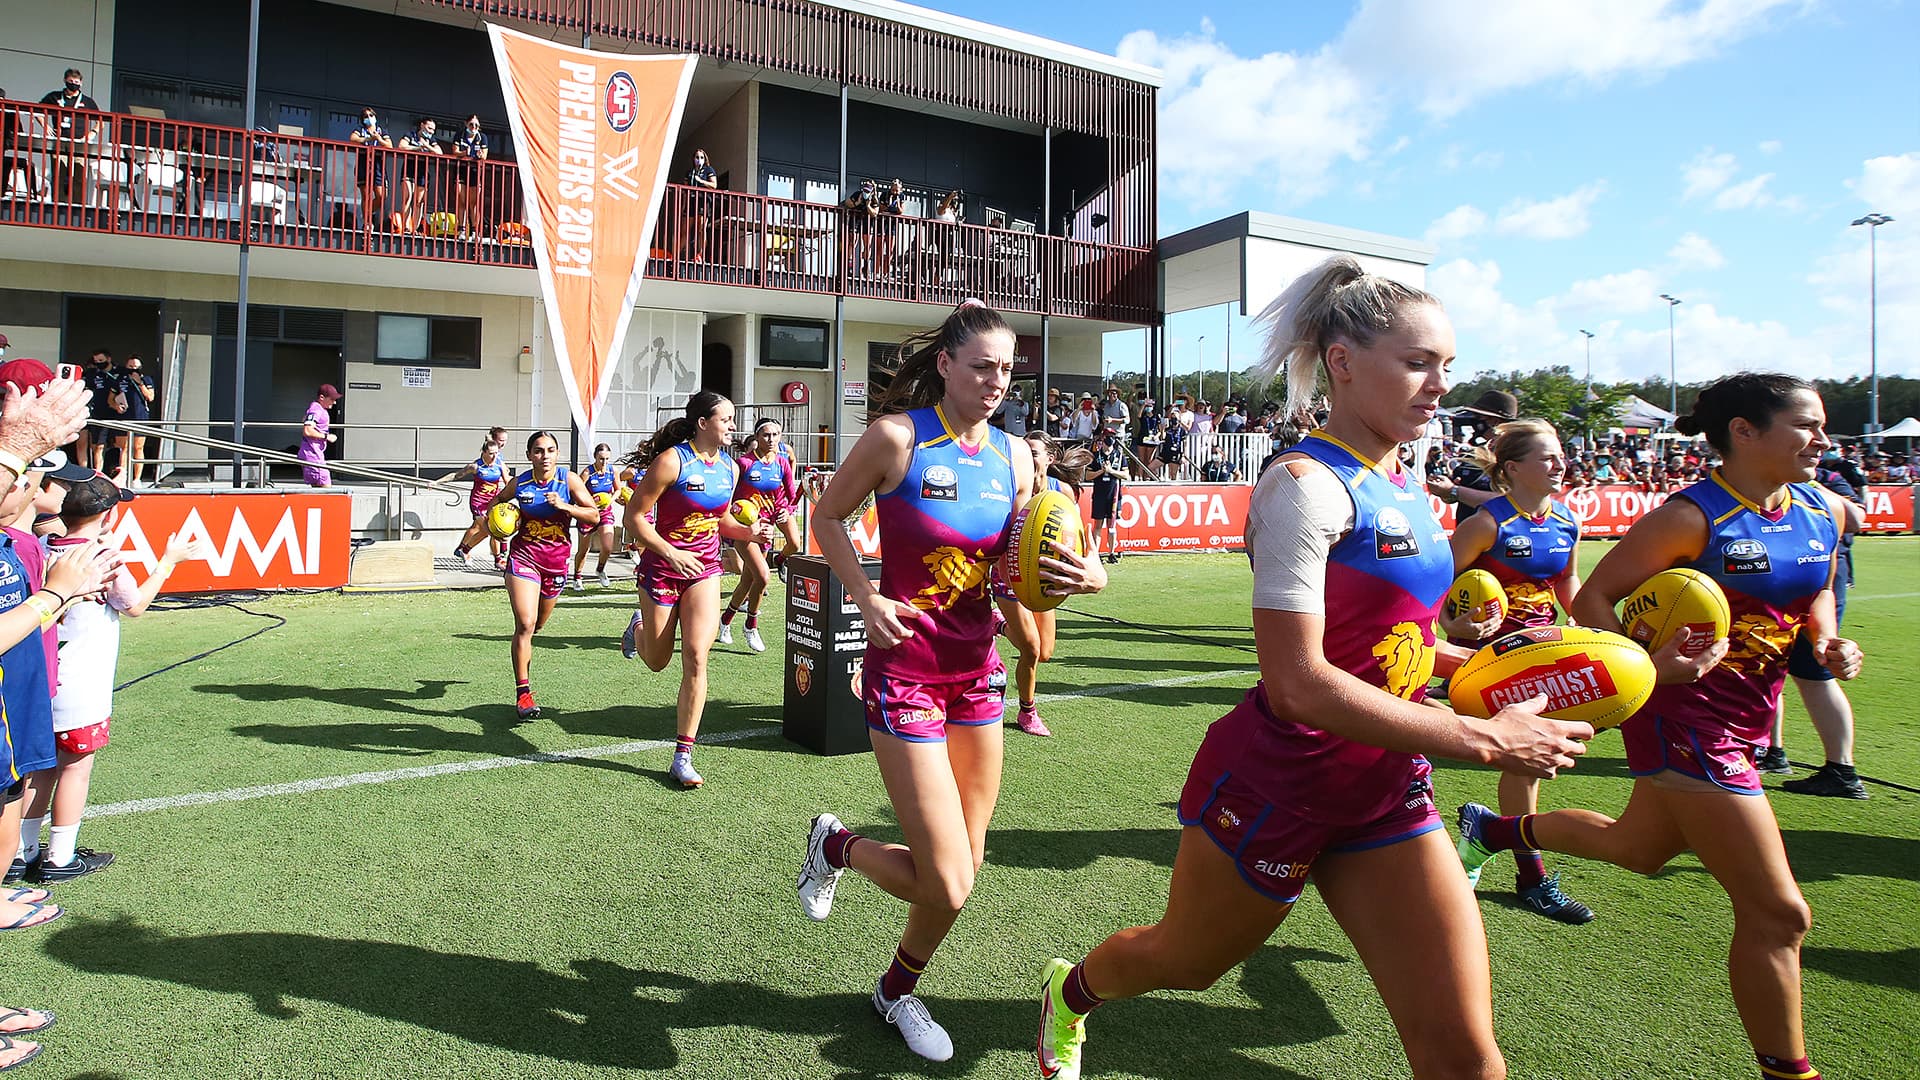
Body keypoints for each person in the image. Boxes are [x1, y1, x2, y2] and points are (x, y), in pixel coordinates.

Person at [1033, 257, 1590, 1080]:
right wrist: (1478, 737)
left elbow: (1393, 640)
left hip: (1385, 786)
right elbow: (1298, 680)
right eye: (1417, 362)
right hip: (1279, 783)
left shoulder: (1403, 484)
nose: (1439, 385)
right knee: (1185, 962)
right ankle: (1071, 993)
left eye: (1447, 366)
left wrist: (1483, 657)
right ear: (1342, 361)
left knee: (1469, 1059)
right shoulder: (1303, 485)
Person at [1459, 372, 1851, 1080]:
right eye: (1807, 424)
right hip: (1685, 721)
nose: (1823, 439)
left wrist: (1825, 640)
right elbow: (1599, 599)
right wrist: (1648, 666)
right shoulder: (1690, 516)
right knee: (1780, 914)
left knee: (1639, 849)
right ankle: (1790, 1071)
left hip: (1749, 717)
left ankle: (1492, 830)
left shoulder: (1827, 511)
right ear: (1745, 431)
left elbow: (1817, 588)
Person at [795, 300, 1106, 1063]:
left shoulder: (1016, 457)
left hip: (976, 675)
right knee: (951, 880)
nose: (997, 380)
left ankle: (894, 991)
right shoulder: (896, 439)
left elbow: (1032, 558)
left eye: (1007, 367)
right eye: (981, 366)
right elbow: (829, 516)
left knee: (965, 867)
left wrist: (1086, 573)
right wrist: (866, 598)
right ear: (945, 365)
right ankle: (837, 846)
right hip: (904, 674)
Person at [1438, 419, 1592, 923]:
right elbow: (1433, 587)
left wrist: (1591, 632)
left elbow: (1567, 584)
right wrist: (1451, 623)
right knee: (1526, 763)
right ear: (1512, 469)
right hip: (1491, 662)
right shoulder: (1488, 523)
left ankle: (1508, 853)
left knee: (1529, 763)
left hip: (1544, 657)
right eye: (1546, 457)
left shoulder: (1567, 520)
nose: (1559, 463)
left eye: (1560, 454)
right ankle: (1532, 876)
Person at [16, 478, 200, 884]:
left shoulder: (43, 549)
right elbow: (134, 606)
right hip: (82, 688)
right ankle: (59, 857)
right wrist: (167, 562)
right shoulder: (104, 557)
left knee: (39, 770)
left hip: (42, 682)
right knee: (75, 769)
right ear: (105, 517)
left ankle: (23, 851)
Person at [619, 393, 770, 787]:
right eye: (727, 419)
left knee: (697, 656)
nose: (734, 426)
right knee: (656, 660)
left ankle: (683, 755)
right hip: (662, 569)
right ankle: (638, 630)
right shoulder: (672, 461)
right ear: (703, 423)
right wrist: (669, 553)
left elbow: (720, 521)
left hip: (704, 570)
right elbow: (633, 517)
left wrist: (748, 532)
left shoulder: (731, 468)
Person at [454, 432, 599, 720]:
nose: (544, 456)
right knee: (525, 622)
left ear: (557, 454)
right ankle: (523, 693)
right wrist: (505, 520)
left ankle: (525, 674)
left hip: (556, 564)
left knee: (538, 625)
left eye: (550, 450)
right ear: (530, 455)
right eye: (538, 451)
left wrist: (565, 506)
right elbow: (495, 504)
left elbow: (593, 515)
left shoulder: (568, 480)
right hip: (524, 559)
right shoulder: (520, 483)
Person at [1768, 464, 1868, 797]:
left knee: (1815, 672)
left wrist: (1808, 487)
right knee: (1766, 664)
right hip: (1777, 581)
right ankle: (1772, 751)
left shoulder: (1826, 480)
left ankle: (1842, 768)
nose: (1817, 442)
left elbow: (1856, 519)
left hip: (1816, 581)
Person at [995, 431, 1091, 738]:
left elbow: (1077, 536)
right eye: (1024, 450)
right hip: (1009, 574)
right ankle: (1027, 711)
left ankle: (995, 625)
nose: (1027, 456)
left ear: (1050, 458)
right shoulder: (1010, 487)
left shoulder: (1061, 491)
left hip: (1043, 578)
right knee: (1032, 649)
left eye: (1034, 451)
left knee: (1046, 651)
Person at [718, 419, 798, 652]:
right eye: (766, 434)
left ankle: (725, 622)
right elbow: (726, 496)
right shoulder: (743, 464)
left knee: (749, 580)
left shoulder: (782, 464)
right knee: (762, 577)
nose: (771, 439)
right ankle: (751, 625)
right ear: (757, 437)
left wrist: (786, 511)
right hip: (745, 529)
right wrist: (733, 518)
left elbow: (791, 497)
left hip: (767, 529)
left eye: (775, 434)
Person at [444, 427, 512, 569]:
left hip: (493, 500)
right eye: (501, 441)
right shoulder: (476, 465)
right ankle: (499, 558)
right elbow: (456, 475)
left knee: (484, 531)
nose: (503, 444)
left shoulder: (499, 460)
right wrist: (436, 482)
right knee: (492, 529)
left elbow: (507, 479)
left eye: (505, 441)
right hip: (478, 502)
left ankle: (464, 549)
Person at [37, 69, 99, 206]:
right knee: (59, 174)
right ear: (65, 81)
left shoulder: (87, 101)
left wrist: (91, 134)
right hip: (59, 142)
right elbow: (37, 111)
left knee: (79, 176)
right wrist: (45, 126)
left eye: (76, 82)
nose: (74, 84)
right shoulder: (54, 97)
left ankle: (76, 206)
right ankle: (58, 204)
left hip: (79, 143)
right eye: (71, 81)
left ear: (81, 83)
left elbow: (100, 121)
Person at [571, 442, 619, 590]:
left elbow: (618, 490)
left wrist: (609, 500)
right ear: (595, 458)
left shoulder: (613, 471)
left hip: (605, 513)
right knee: (583, 550)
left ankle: (600, 569)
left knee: (608, 546)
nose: (604, 462)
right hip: (588, 513)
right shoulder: (587, 473)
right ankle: (577, 577)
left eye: (607, 459)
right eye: (601, 459)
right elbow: (575, 491)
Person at [393, 116, 441, 235]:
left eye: (433, 130)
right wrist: (418, 147)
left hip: (423, 171)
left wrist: (427, 146)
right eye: (429, 128)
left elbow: (439, 152)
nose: (431, 131)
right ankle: (405, 227)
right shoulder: (411, 134)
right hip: (409, 168)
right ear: (422, 125)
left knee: (419, 201)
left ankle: (414, 228)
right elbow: (401, 146)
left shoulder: (432, 140)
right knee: (407, 197)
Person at [1087, 425, 1127, 563]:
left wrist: (1110, 471)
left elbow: (1126, 475)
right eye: (1107, 437)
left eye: (1112, 437)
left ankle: (1112, 553)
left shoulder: (1120, 456)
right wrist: (1101, 471)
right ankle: (1095, 554)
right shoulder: (1095, 456)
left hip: (1114, 494)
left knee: (1112, 525)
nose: (1109, 440)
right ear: (1102, 439)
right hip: (1099, 494)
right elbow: (1087, 475)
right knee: (1098, 525)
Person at [349, 107, 393, 233]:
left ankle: (367, 214)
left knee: (381, 195)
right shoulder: (360, 129)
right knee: (365, 194)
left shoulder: (381, 130)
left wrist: (378, 139)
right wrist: (368, 139)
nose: (369, 118)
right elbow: (352, 139)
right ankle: (367, 223)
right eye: (365, 116)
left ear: (375, 117)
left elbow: (389, 145)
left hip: (378, 163)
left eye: (371, 115)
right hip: (363, 162)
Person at [118, 355, 155, 483]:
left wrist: (140, 383)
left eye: (136, 367)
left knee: (138, 448)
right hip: (124, 417)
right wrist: (116, 406)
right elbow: (111, 398)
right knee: (124, 448)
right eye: (130, 366)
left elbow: (150, 397)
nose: (133, 369)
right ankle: (122, 478)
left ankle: (137, 478)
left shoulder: (147, 379)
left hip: (140, 417)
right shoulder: (120, 379)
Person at [452, 115, 489, 241]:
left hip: (474, 171)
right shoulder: (460, 135)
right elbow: (455, 151)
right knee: (461, 200)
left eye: (476, 125)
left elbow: (484, 155)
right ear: (466, 124)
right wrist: (464, 153)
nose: (474, 127)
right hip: (461, 170)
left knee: (473, 203)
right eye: (471, 125)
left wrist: (479, 155)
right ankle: (461, 230)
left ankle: (474, 231)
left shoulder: (482, 137)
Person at [298, 384, 341, 487]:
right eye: (332, 399)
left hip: (313, 453)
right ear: (322, 397)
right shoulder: (316, 409)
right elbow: (307, 430)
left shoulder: (315, 408)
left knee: (317, 489)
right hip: (313, 455)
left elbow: (304, 420)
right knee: (326, 488)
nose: (334, 402)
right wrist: (327, 437)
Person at [686, 149, 718, 261]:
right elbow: (686, 189)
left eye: (701, 157)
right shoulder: (690, 172)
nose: (699, 160)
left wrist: (701, 181)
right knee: (685, 229)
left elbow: (714, 185)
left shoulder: (708, 170)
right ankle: (676, 255)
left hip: (703, 201)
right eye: (697, 157)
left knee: (701, 228)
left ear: (705, 159)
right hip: (691, 202)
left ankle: (701, 255)